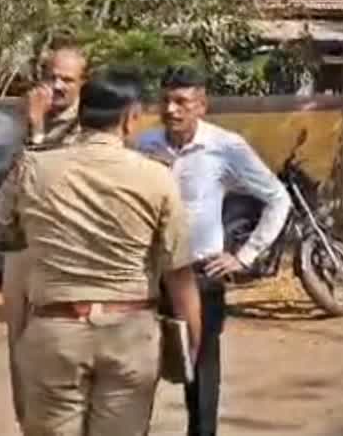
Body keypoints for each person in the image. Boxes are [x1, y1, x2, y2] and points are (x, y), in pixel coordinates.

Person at [0, 69, 203, 436]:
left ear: (82, 111)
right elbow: (178, 272)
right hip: (129, 335)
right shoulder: (157, 177)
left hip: (55, 332)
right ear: (131, 117)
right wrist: (192, 341)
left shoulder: (34, 167)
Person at [135, 66, 291, 436]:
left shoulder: (226, 146)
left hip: (200, 276)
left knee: (201, 374)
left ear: (201, 105)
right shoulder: (144, 145)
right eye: (165, 101)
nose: (172, 110)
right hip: (146, 276)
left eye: (182, 102)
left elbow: (277, 198)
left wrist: (244, 255)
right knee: (137, 373)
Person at [2, 44, 88, 427]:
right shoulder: (26, 116)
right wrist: (30, 127)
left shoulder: (87, 127)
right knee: (19, 348)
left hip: (66, 254)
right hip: (23, 251)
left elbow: (46, 184)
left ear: (82, 84)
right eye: (52, 76)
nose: (57, 86)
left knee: (62, 350)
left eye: (67, 79)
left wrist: (36, 131)